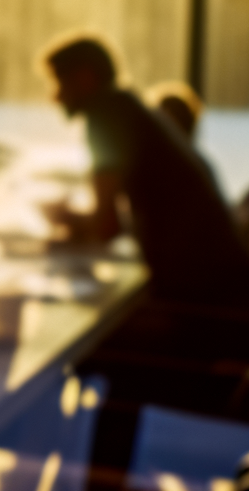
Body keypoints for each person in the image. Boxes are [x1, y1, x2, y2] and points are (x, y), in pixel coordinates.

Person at [40, 35, 249, 304]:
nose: (55, 97)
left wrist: (64, 220)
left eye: (59, 81)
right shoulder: (128, 108)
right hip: (217, 277)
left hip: (203, 294)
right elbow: (112, 226)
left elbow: (104, 227)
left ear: (84, 77)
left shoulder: (105, 115)